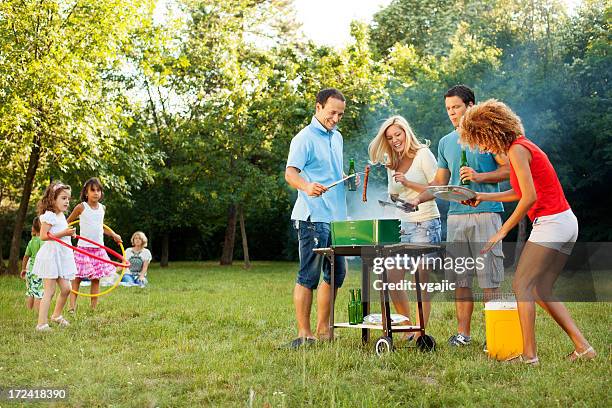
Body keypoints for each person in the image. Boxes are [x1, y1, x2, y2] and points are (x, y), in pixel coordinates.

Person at [458, 99, 596, 364]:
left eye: (481, 140)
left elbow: (529, 198)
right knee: (541, 288)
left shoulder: (517, 150)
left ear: (491, 131)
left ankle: (529, 357)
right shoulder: (522, 147)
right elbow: (521, 192)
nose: (483, 148)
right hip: (566, 221)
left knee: (522, 284)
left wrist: (502, 231)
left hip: (552, 222)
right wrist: (481, 197)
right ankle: (583, 347)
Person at [409, 85, 510, 347]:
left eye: (457, 107)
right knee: (460, 279)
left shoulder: (489, 134)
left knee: (489, 278)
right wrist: (418, 199)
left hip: (486, 212)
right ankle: (463, 335)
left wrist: (480, 177)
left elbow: (510, 168)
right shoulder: (445, 142)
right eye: (449, 109)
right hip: (456, 217)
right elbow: (440, 181)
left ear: (471, 106)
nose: (452, 113)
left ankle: (495, 336)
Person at [284, 88, 349, 348]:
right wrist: (307, 186)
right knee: (308, 276)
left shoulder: (338, 137)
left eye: (340, 114)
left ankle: (324, 329)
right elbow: (290, 174)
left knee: (336, 274)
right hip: (313, 218)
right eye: (332, 112)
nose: (336, 118)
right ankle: (304, 333)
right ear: (318, 107)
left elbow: (332, 171)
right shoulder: (304, 138)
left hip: (338, 218)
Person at [368, 115, 441, 340]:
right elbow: (397, 192)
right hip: (401, 225)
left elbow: (438, 187)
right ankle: (407, 328)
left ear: (407, 133)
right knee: (391, 276)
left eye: (397, 135)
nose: (395, 140)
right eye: (389, 138)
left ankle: (420, 332)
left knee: (421, 279)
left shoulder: (423, 155)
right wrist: (390, 200)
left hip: (425, 222)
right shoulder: (392, 161)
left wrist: (408, 184)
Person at [67, 178, 122, 310]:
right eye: (93, 190)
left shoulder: (102, 208)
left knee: (96, 279)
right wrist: (66, 232)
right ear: (86, 193)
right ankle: (71, 307)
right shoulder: (81, 207)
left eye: (98, 190)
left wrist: (114, 234)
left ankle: (93, 308)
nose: (96, 193)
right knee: (77, 278)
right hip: (83, 248)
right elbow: (67, 222)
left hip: (98, 249)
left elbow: (101, 228)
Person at [32, 182, 78, 331]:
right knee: (49, 291)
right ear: (53, 199)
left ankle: (56, 315)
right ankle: (41, 324)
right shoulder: (49, 216)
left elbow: (63, 233)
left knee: (66, 289)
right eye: (63, 198)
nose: (67, 202)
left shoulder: (61, 216)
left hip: (62, 256)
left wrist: (71, 233)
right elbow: (44, 236)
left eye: (68, 199)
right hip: (51, 256)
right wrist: (64, 233)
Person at [21, 216, 43, 311]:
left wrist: (23, 269)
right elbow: (43, 255)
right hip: (38, 271)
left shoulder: (31, 241)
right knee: (39, 292)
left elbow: (26, 256)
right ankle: (37, 312)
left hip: (30, 270)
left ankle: (29, 310)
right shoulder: (42, 240)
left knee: (30, 292)